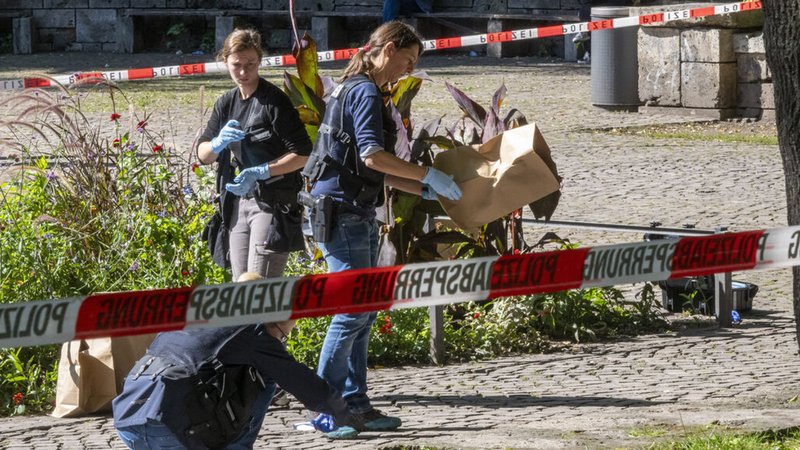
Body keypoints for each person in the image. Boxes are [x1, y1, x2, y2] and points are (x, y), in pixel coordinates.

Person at [302, 21, 462, 431]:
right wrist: (427, 174)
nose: (407, 71)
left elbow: (365, 167)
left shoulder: (351, 86)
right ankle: (327, 408)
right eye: (407, 61)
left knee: (363, 310)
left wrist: (419, 187)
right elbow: (374, 156)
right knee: (352, 311)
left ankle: (354, 403)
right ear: (388, 49)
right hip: (345, 213)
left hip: (345, 208)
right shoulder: (366, 91)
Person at [112, 274, 363, 450]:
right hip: (172, 427)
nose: (282, 341)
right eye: (284, 334)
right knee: (265, 377)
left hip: (129, 419)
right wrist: (342, 412)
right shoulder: (252, 331)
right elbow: (299, 380)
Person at [197, 28, 311, 282]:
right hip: (238, 201)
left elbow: (303, 154)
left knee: (259, 285)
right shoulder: (226, 102)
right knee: (241, 286)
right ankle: (251, 324)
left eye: (250, 64)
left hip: (272, 201)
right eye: (236, 65)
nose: (243, 72)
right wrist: (216, 143)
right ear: (225, 61)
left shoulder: (273, 102)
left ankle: (270, 324)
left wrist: (262, 171)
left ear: (260, 61)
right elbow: (203, 155)